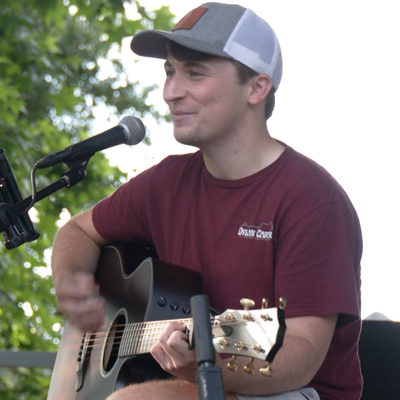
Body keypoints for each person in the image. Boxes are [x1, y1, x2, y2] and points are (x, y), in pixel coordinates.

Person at [51, 2, 363, 399]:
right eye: (170, 72)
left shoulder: (312, 201)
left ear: (256, 88)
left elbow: (299, 352)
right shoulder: (166, 183)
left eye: (195, 73)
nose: (170, 92)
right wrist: (71, 280)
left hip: (296, 390)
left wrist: (208, 365)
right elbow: (78, 231)